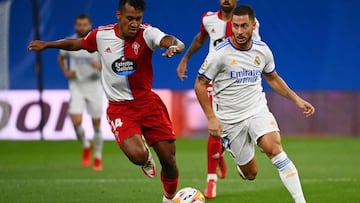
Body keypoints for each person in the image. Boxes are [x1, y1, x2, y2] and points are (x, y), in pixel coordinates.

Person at [28, 0, 185, 202]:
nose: (134, 23)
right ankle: (145, 157)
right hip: (121, 109)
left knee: (169, 160)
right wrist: (48, 45)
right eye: (130, 18)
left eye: (138, 19)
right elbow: (76, 44)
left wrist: (175, 46)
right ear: (118, 15)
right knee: (137, 156)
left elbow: (168, 39)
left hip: (148, 103)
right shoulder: (101, 35)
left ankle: (169, 198)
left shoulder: (147, 33)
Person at [194, 5, 315, 203]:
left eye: (244, 26)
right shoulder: (219, 54)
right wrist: (211, 118)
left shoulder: (263, 50)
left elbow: (273, 78)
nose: (239, 31)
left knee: (274, 148)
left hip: (257, 110)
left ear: (253, 26)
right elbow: (200, 84)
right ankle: (238, 158)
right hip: (230, 120)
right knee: (251, 174)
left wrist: (297, 100)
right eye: (235, 26)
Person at [176, 0, 260, 198]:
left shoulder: (248, 22)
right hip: (214, 79)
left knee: (225, 130)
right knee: (214, 126)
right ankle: (211, 179)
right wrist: (185, 59)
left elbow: (256, 49)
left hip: (237, 81)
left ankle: (224, 149)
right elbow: (200, 39)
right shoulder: (209, 19)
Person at [57, 14, 103, 171]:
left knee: (96, 125)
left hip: (94, 86)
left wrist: (101, 67)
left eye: (85, 24)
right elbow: (61, 58)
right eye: (79, 24)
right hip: (76, 86)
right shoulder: (70, 43)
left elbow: (110, 64)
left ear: (89, 25)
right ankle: (85, 145)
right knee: (76, 122)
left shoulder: (98, 42)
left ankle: (97, 156)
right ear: (76, 26)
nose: (82, 27)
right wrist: (66, 72)